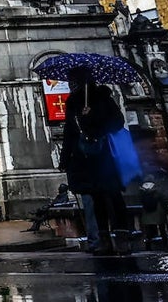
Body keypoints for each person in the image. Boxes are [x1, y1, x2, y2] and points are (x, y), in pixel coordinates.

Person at [59, 66, 129, 256]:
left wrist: (93, 117)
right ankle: (103, 240)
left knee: (113, 197)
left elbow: (118, 122)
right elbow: (70, 132)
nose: (71, 84)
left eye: (74, 80)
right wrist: (64, 158)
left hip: (106, 155)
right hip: (85, 157)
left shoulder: (102, 97)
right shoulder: (73, 103)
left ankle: (122, 239)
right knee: (96, 198)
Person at [138, 178, 168, 250]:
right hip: (158, 211)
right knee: (162, 229)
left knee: (149, 230)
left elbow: (140, 199)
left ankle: (148, 245)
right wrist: (165, 207)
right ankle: (165, 245)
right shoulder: (157, 189)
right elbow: (164, 199)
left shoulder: (142, 189)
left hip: (147, 212)